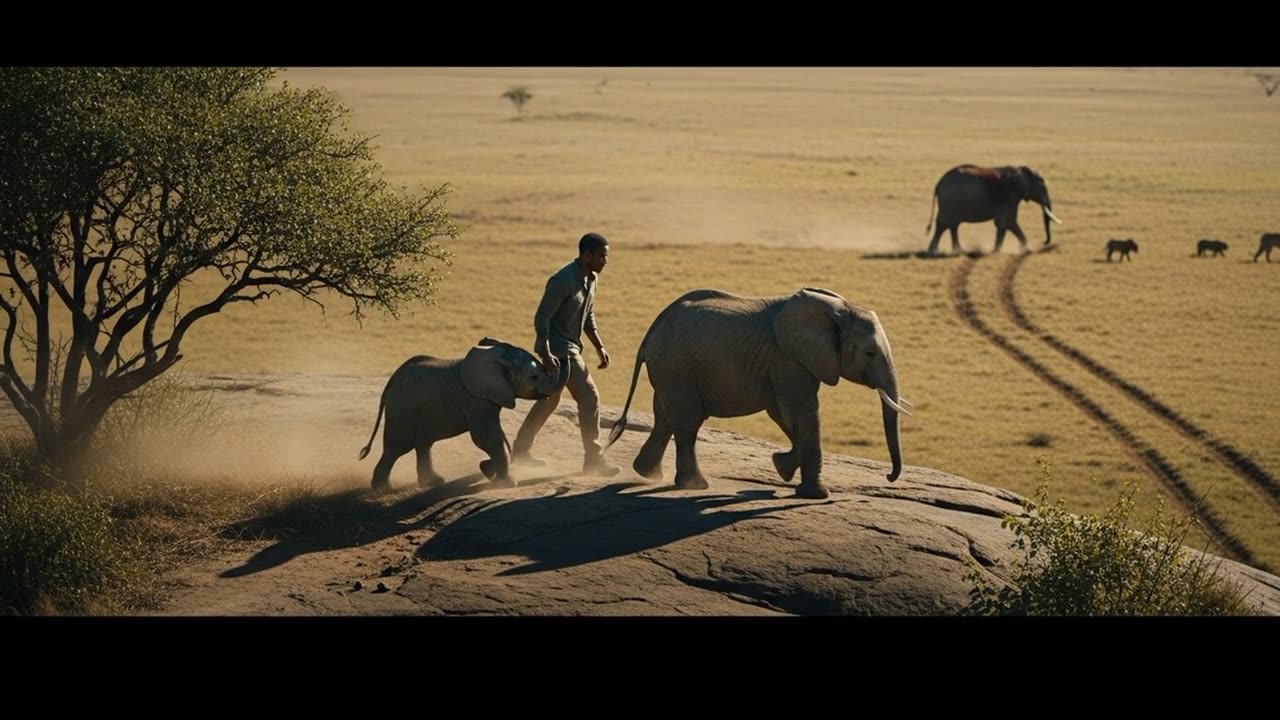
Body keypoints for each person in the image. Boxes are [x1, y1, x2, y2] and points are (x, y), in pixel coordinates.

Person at [512, 232, 621, 477]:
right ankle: (594, 459)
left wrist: (600, 347)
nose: (605, 261)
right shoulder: (563, 280)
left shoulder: (591, 278)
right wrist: (546, 352)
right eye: (602, 256)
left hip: (570, 347)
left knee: (549, 399)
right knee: (589, 396)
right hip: (560, 350)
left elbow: (588, 317)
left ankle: (520, 451)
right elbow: (542, 317)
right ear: (587, 256)